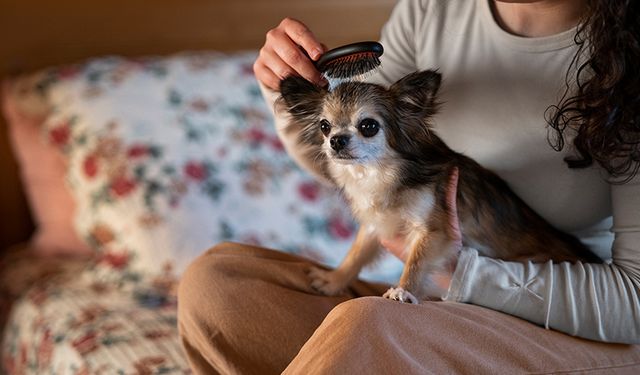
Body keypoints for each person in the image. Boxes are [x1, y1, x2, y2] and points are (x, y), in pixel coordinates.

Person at [178, 0, 640, 373]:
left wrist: (458, 273)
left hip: (574, 323)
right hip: (441, 303)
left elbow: (635, 304)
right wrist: (283, 89)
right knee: (219, 286)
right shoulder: (432, 8)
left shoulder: (630, 55)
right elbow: (360, 159)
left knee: (369, 328)